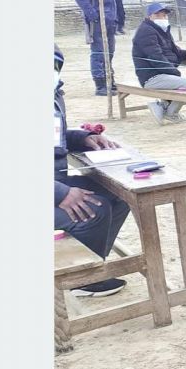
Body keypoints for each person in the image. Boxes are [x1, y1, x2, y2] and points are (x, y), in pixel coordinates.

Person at [54, 45, 130, 297]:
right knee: (94, 207)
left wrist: (84, 137)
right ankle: (80, 280)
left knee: (120, 194)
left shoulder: (53, 94)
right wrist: (60, 193)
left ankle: (91, 263)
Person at [131, 3, 186, 124]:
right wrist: (174, 72)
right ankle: (170, 112)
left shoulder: (162, 30)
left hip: (163, 74)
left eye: (164, 15)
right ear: (149, 16)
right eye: (157, 15)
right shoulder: (146, 32)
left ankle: (163, 106)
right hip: (152, 77)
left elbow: (174, 51)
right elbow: (156, 57)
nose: (162, 18)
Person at [75, 0, 124, 94]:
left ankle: (110, 80)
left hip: (111, 23)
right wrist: (94, 15)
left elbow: (118, 2)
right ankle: (101, 85)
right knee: (98, 53)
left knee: (110, 53)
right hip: (97, 23)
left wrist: (120, 20)